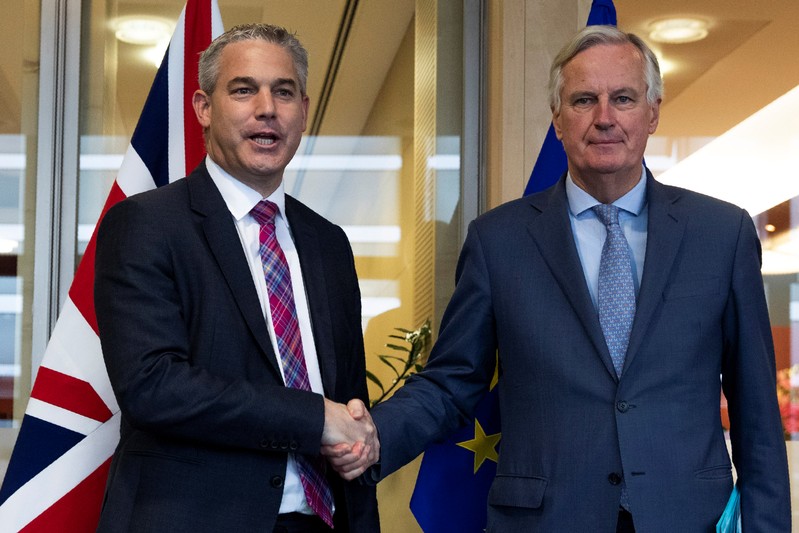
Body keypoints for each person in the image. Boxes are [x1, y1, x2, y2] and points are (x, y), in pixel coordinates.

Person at [325, 25, 791, 532]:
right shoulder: (497, 241)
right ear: (558, 118)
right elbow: (453, 380)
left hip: (687, 517)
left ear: (653, 112)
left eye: (624, 98)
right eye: (584, 100)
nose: (605, 117)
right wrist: (373, 433)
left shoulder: (721, 234)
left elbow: (757, 412)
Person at [94, 23, 379, 533]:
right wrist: (313, 418)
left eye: (284, 91)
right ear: (204, 108)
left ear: (304, 112)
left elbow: (348, 402)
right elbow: (153, 385)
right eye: (244, 89)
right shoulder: (146, 223)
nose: (267, 108)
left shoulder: (329, 243)